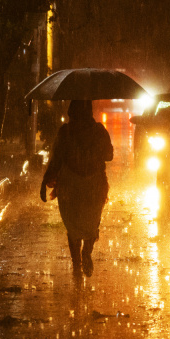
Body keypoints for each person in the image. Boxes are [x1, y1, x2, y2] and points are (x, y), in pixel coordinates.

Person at [40, 100, 113, 281]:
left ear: (71, 112)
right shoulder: (99, 131)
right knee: (91, 222)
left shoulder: (66, 132)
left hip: (69, 186)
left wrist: (45, 180)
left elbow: (57, 158)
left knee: (73, 226)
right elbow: (109, 155)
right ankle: (86, 252)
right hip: (94, 185)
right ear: (90, 112)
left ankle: (77, 264)